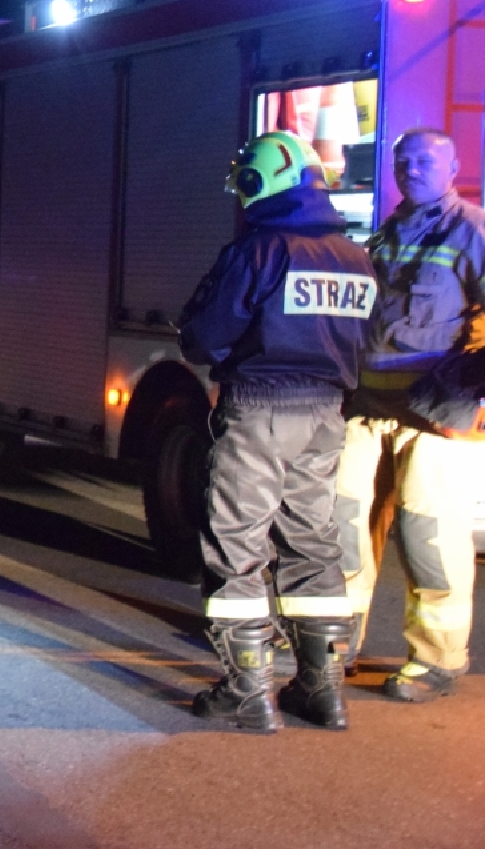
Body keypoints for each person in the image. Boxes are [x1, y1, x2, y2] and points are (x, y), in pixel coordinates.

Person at [177, 132, 373, 732]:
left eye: (246, 183)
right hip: (326, 414)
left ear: (263, 181)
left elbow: (205, 336)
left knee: (236, 546)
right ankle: (322, 689)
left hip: (260, 409)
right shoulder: (354, 255)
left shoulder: (260, 249)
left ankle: (248, 691)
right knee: (312, 543)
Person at [338, 127, 485, 703]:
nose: (412, 170)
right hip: (369, 409)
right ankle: (333, 643)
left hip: (435, 417)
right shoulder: (387, 233)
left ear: (453, 167)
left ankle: (436, 660)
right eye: (403, 162)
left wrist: (467, 394)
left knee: (430, 540)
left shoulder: (472, 229)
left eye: (425, 160)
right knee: (343, 528)